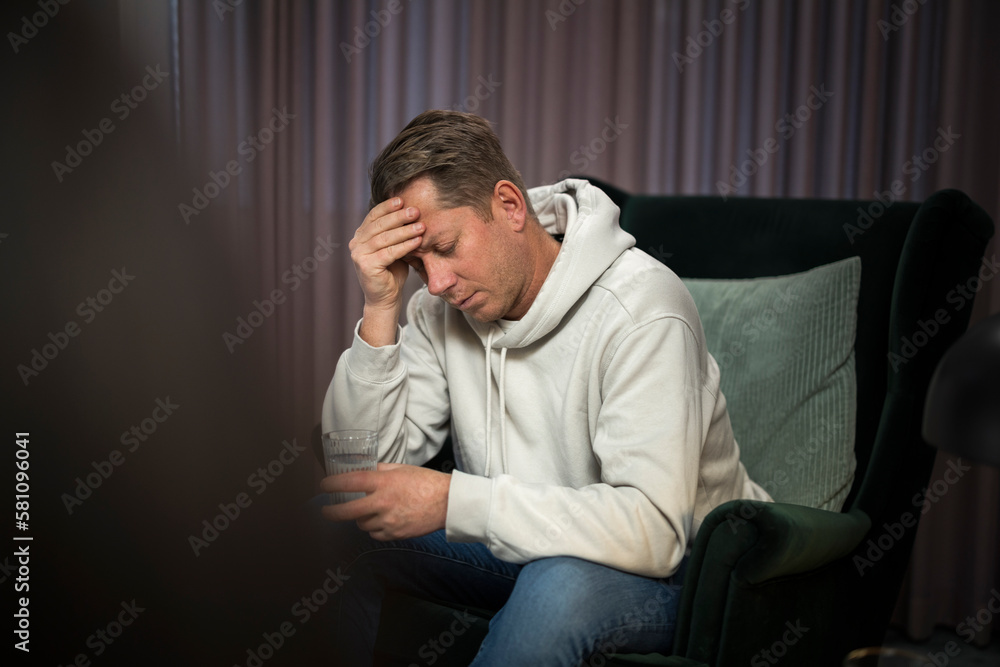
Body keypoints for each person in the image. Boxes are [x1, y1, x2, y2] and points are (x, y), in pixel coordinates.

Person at [319, 109, 771, 666]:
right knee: (332, 526)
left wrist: (453, 500)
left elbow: (654, 530)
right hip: (522, 547)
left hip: (673, 574)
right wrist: (380, 307)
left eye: (446, 246)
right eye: (416, 262)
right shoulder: (438, 310)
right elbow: (357, 485)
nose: (435, 283)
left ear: (509, 206)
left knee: (558, 586)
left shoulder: (643, 309)